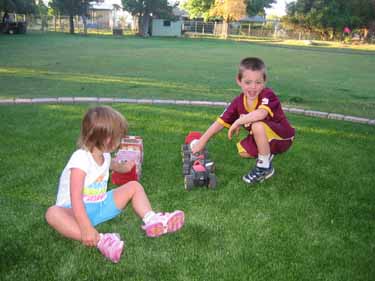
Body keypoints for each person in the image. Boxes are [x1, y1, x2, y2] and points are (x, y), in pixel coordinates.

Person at [45, 106, 184, 263]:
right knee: (52, 213)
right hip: (73, 211)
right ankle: (101, 240)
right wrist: (85, 227)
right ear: (106, 138)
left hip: (100, 205)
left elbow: (116, 166)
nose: (120, 141)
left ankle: (151, 219)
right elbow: (76, 198)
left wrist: (127, 167)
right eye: (119, 137)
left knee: (134, 186)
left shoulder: (105, 155)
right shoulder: (80, 159)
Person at [192, 57, 295, 184]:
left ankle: (264, 168)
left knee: (257, 125)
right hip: (268, 138)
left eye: (258, 82)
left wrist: (238, 121)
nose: (253, 87)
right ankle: (267, 156)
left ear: (265, 81)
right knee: (244, 152)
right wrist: (201, 142)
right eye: (248, 82)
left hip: (283, 137)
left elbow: (261, 114)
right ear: (239, 81)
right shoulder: (238, 102)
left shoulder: (268, 94)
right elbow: (219, 122)